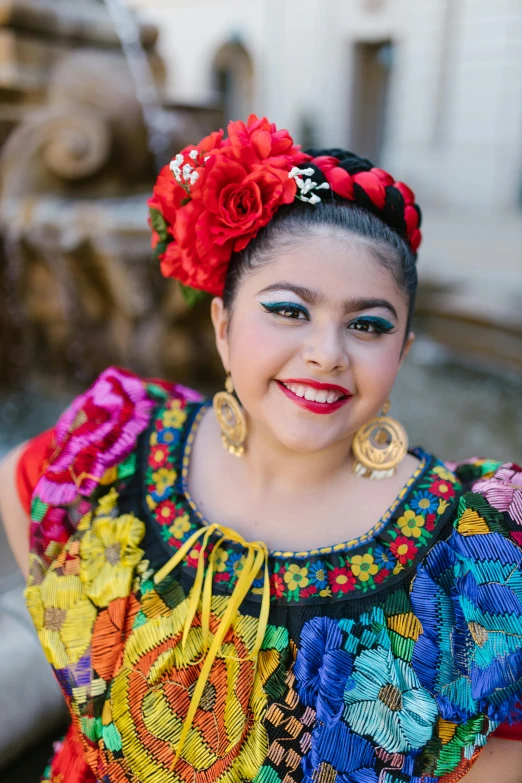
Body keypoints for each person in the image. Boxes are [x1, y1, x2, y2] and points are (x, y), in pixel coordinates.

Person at [1, 114, 521, 783]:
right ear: (222, 325)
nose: (325, 354)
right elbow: (21, 487)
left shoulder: (472, 543)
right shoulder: (118, 448)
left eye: (367, 324)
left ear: (403, 353)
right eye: (288, 310)